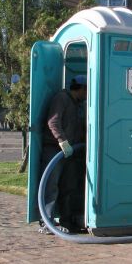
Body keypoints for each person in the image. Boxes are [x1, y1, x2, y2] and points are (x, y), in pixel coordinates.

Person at [40, 74, 87, 233]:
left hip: (70, 151)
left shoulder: (76, 104)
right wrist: (62, 141)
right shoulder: (62, 98)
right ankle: (47, 221)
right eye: (86, 90)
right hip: (54, 150)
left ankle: (67, 222)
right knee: (51, 187)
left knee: (69, 187)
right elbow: (53, 122)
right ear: (81, 89)